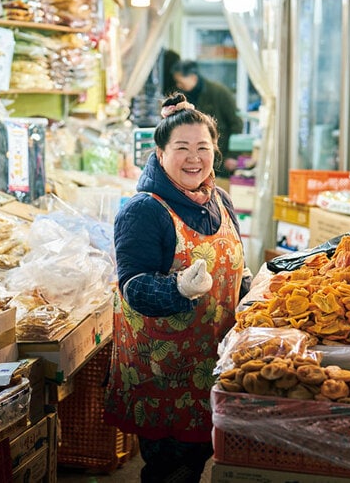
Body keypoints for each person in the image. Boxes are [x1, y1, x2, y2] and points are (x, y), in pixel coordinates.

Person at [104, 93, 252, 483]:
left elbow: (232, 267)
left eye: (203, 147)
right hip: (163, 371)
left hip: (213, 358)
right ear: (160, 152)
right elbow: (133, 286)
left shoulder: (219, 200)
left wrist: (254, 289)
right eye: (182, 148)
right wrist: (178, 291)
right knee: (171, 467)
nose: (194, 158)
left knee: (200, 455)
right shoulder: (144, 210)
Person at [170, 60, 244, 179]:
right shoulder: (182, 96)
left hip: (219, 157)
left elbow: (236, 124)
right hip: (192, 158)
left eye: (180, 81)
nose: (178, 85)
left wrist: (233, 156)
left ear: (193, 78)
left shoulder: (219, 93)